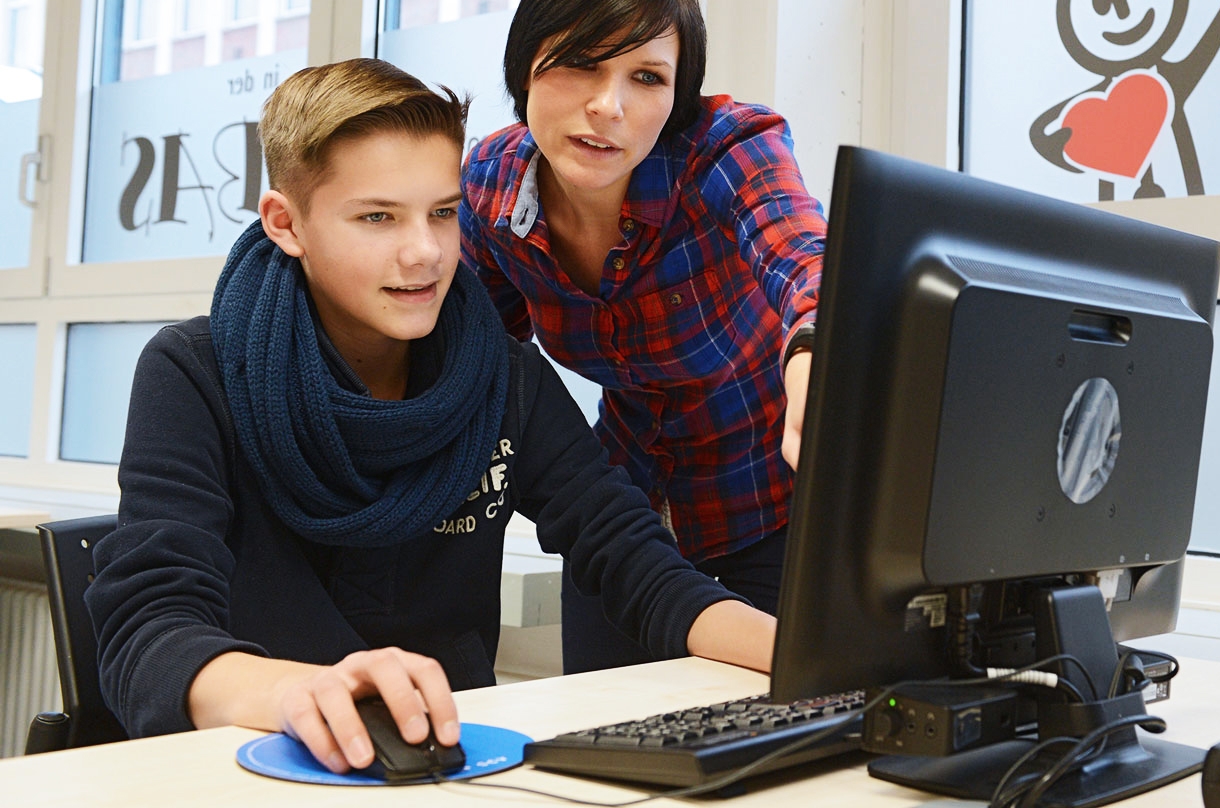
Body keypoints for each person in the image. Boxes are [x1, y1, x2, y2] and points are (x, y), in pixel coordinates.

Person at [86, 58, 775, 776]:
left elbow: (632, 557)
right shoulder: (192, 372)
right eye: (378, 217)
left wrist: (807, 656)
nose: (425, 253)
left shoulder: (502, 375)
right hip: (247, 766)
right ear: (286, 224)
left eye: (443, 213)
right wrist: (297, 692)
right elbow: (149, 630)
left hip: (442, 769)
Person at [460, 0, 826, 672]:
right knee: (607, 741)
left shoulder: (726, 148)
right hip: (624, 521)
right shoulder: (491, 189)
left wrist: (818, 350)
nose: (609, 107)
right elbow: (481, 363)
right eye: (579, 65)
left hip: (776, 505)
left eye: (648, 78)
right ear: (523, 66)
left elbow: (804, 257)